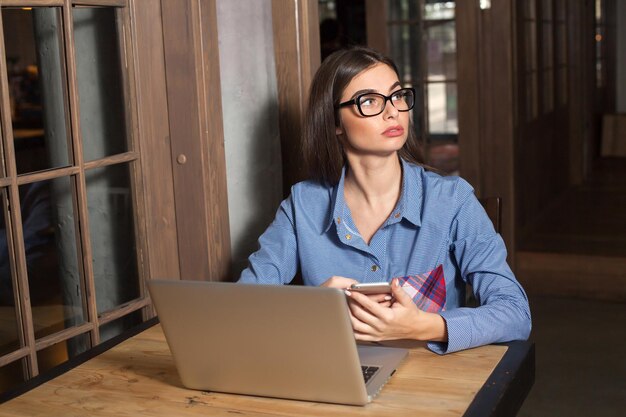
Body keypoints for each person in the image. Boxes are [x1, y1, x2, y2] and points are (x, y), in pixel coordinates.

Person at [238, 46, 531, 354]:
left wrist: (425, 326)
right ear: (334, 122)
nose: (393, 111)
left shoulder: (452, 201)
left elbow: (515, 313)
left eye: (397, 96)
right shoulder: (303, 206)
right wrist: (311, 307)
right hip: (335, 377)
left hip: (433, 387)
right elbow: (243, 307)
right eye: (369, 101)